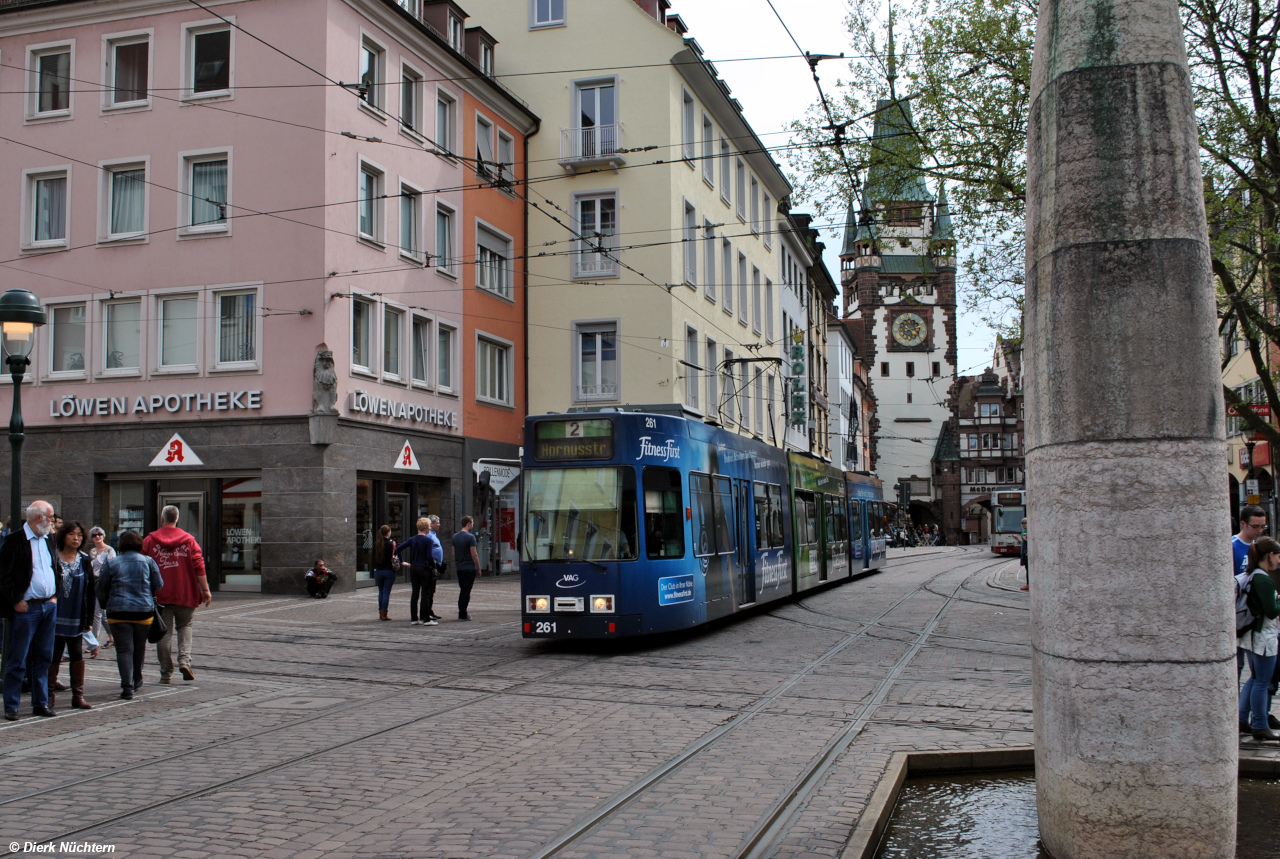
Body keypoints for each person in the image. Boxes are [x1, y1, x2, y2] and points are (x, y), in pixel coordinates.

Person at [0, 501, 59, 721]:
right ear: (38, 518)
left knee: (44, 656)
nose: (53, 520)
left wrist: (55, 595)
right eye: (50, 516)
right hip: (26, 608)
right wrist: (16, 600)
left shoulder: (49, 539)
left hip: (48, 605)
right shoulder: (14, 540)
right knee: (18, 658)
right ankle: (12, 705)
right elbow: (4, 576)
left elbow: (55, 567)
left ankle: (40, 702)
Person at [143, 505, 211, 684]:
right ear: (177, 519)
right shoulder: (189, 540)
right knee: (185, 626)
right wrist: (205, 589)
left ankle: (166, 673)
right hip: (186, 592)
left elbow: (142, 565)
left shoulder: (150, 541)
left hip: (160, 595)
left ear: (162, 519)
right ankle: (184, 660)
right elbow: (199, 565)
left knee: (163, 632)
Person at [97, 530, 162, 700]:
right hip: (143, 612)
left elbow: (101, 588)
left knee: (124, 650)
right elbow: (159, 584)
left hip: (118, 612)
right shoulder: (148, 561)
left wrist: (105, 604)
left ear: (121, 545)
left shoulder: (113, 563)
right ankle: (137, 678)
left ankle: (127, 686)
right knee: (139, 647)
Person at [47, 522, 95, 711]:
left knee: (76, 654)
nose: (76, 538)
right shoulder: (53, 557)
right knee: (54, 655)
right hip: (55, 614)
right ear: (63, 536)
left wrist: (89, 619)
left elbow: (91, 591)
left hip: (76, 614)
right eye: (72, 534)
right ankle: (49, 695)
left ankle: (78, 695)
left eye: (79, 535)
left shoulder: (84, 559)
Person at [1239, 537, 1280, 741]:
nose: (1279, 560)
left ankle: (1241, 718)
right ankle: (1260, 724)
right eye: (1278, 556)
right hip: (1263, 638)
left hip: (1251, 637)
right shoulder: (1263, 579)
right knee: (1262, 681)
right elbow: (1271, 611)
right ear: (1270, 556)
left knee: (1254, 678)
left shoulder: (1251, 575)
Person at [396, 516, 444, 625]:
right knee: (426, 593)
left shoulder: (412, 539)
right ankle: (425, 618)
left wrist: (402, 561)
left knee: (415, 593)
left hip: (414, 567)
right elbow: (429, 556)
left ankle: (414, 618)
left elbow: (398, 548)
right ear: (427, 527)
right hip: (424, 568)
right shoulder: (428, 540)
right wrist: (434, 566)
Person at [87, 526, 116, 653]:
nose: (97, 536)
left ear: (103, 536)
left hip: (103, 583)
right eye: (94, 535)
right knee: (102, 614)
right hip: (93, 582)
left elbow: (113, 567)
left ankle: (94, 642)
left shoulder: (109, 550)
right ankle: (112, 637)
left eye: (99, 534)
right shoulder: (92, 551)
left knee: (97, 613)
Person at [453, 516, 479, 621]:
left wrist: (457, 563)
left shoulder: (455, 537)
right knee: (466, 592)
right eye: (472, 523)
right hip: (469, 567)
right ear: (468, 524)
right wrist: (478, 567)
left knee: (462, 589)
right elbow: (474, 554)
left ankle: (462, 611)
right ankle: (462, 613)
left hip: (460, 567)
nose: (472, 525)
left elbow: (453, 553)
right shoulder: (470, 537)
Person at [372, 525, 398, 621]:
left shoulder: (377, 544)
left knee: (381, 591)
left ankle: (381, 613)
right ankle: (384, 613)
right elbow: (395, 555)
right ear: (388, 533)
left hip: (378, 570)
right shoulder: (392, 543)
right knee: (386, 592)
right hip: (389, 570)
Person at [1234, 505, 1267, 577]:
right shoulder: (1232, 546)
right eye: (1255, 527)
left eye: (1263, 527)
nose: (1260, 530)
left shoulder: (1259, 546)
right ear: (1243, 524)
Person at [1019, 518, 1029, 591]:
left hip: (1026, 551)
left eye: (1025, 522)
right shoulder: (1024, 531)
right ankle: (1028, 584)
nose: (1024, 524)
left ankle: (1028, 585)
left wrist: (1024, 537)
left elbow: (1027, 539)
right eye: (1022, 523)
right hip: (1024, 550)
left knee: (1028, 568)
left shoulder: (1026, 532)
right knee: (1027, 568)